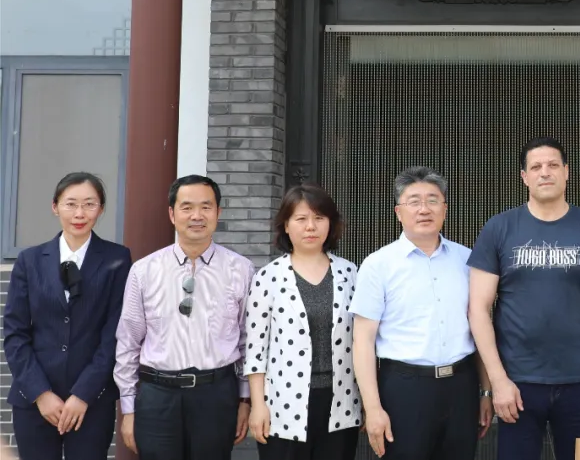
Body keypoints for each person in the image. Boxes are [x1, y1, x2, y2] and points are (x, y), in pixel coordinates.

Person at [467, 137, 580, 460]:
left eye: (553, 165)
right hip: (517, 383)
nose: (545, 172)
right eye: (536, 167)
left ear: (566, 172)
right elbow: (478, 310)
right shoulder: (499, 228)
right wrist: (498, 381)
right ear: (524, 176)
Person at [351, 167, 494, 460]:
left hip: (462, 386)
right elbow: (363, 341)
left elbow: (479, 327)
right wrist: (373, 407)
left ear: (445, 209)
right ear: (398, 212)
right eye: (414, 201)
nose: (424, 209)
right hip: (404, 389)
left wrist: (486, 392)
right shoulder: (378, 265)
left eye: (432, 200)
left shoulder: (467, 260)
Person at [113, 174, 255, 460]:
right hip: (157, 397)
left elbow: (247, 341)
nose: (196, 216)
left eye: (206, 207)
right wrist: (128, 409)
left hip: (216, 396)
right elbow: (128, 342)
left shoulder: (241, 269)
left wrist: (244, 400)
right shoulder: (144, 270)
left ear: (218, 212)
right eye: (187, 207)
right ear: (172, 214)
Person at [2, 172, 132, 460]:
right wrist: (41, 393)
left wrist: (84, 393)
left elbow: (115, 333)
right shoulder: (29, 260)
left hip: (91, 402)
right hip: (34, 401)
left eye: (89, 204)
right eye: (70, 204)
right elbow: (15, 333)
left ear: (101, 209)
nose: (79, 213)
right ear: (55, 206)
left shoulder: (118, 259)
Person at [245, 183, 362, 458]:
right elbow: (255, 349)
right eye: (301, 218)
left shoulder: (350, 274)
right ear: (286, 225)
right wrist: (258, 405)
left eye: (319, 218)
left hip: (341, 401)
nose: (311, 226)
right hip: (282, 403)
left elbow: (363, 341)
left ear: (330, 224)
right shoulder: (268, 277)